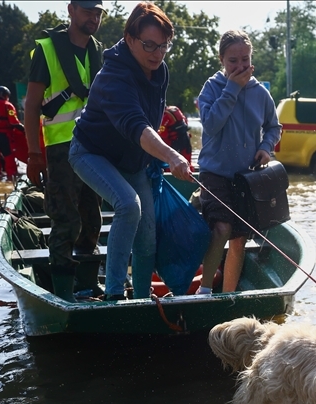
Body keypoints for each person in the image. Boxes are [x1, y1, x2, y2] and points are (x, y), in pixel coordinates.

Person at [68, 2, 193, 301]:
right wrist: (172, 156)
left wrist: (154, 159)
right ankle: (114, 295)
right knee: (128, 204)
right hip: (91, 152)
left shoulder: (159, 70)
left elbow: (150, 119)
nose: (157, 53)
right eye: (149, 44)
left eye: (164, 46)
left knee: (147, 234)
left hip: (133, 160)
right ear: (129, 38)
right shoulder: (113, 75)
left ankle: (140, 298)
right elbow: (136, 126)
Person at [24, 0, 107, 302]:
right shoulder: (47, 50)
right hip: (60, 150)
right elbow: (32, 107)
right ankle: (63, 293)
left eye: (98, 12)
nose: (93, 17)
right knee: (65, 220)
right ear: (71, 10)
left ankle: (88, 285)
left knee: (92, 219)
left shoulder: (100, 51)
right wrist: (34, 154)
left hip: (94, 148)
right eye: (88, 11)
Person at [196, 30, 281, 295]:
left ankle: (229, 298)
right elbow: (210, 125)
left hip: (246, 176)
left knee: (239, 240)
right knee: (222, 229)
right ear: (222, 60)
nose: (240, 66)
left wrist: (266, 148)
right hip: (214, 173)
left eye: (245, 59)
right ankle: (205, 290)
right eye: (233, 60)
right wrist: (232, 88)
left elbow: (273, 127)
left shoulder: (260, 93)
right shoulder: (212, 88)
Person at [159, 104, 193, 169]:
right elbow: (185, 121)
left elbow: (162, 134)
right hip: (186, 140)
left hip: (175, 143)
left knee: (171, 165)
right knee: (188, 164)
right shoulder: (175, 109)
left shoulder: (165, 116)